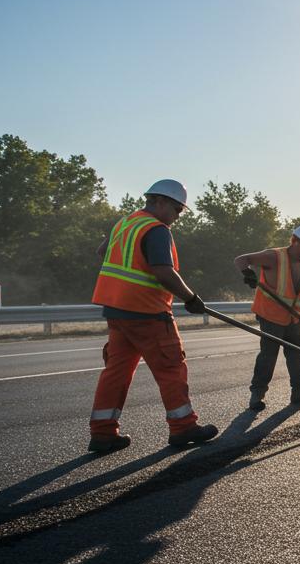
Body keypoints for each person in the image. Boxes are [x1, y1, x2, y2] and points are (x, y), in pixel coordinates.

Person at [87, 179, 218, 453]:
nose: (177, 217)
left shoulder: (126, 223)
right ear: (159, 202)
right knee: (171, 367)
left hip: (118, 311)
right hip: (147, 312)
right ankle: (183, 427)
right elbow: (163, 272)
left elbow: (102, 252)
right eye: (176, 209)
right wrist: (191, 298)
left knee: (116, 372)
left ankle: (103, 433)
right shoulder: (157, 230)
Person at [234, 224, 300, 411]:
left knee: (297, 355)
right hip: (271, 316)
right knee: (268, 356)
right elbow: (241, 260)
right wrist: (248, 273)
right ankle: (257, 394)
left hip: (293, 318)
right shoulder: (273, 256)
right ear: (295, 241)